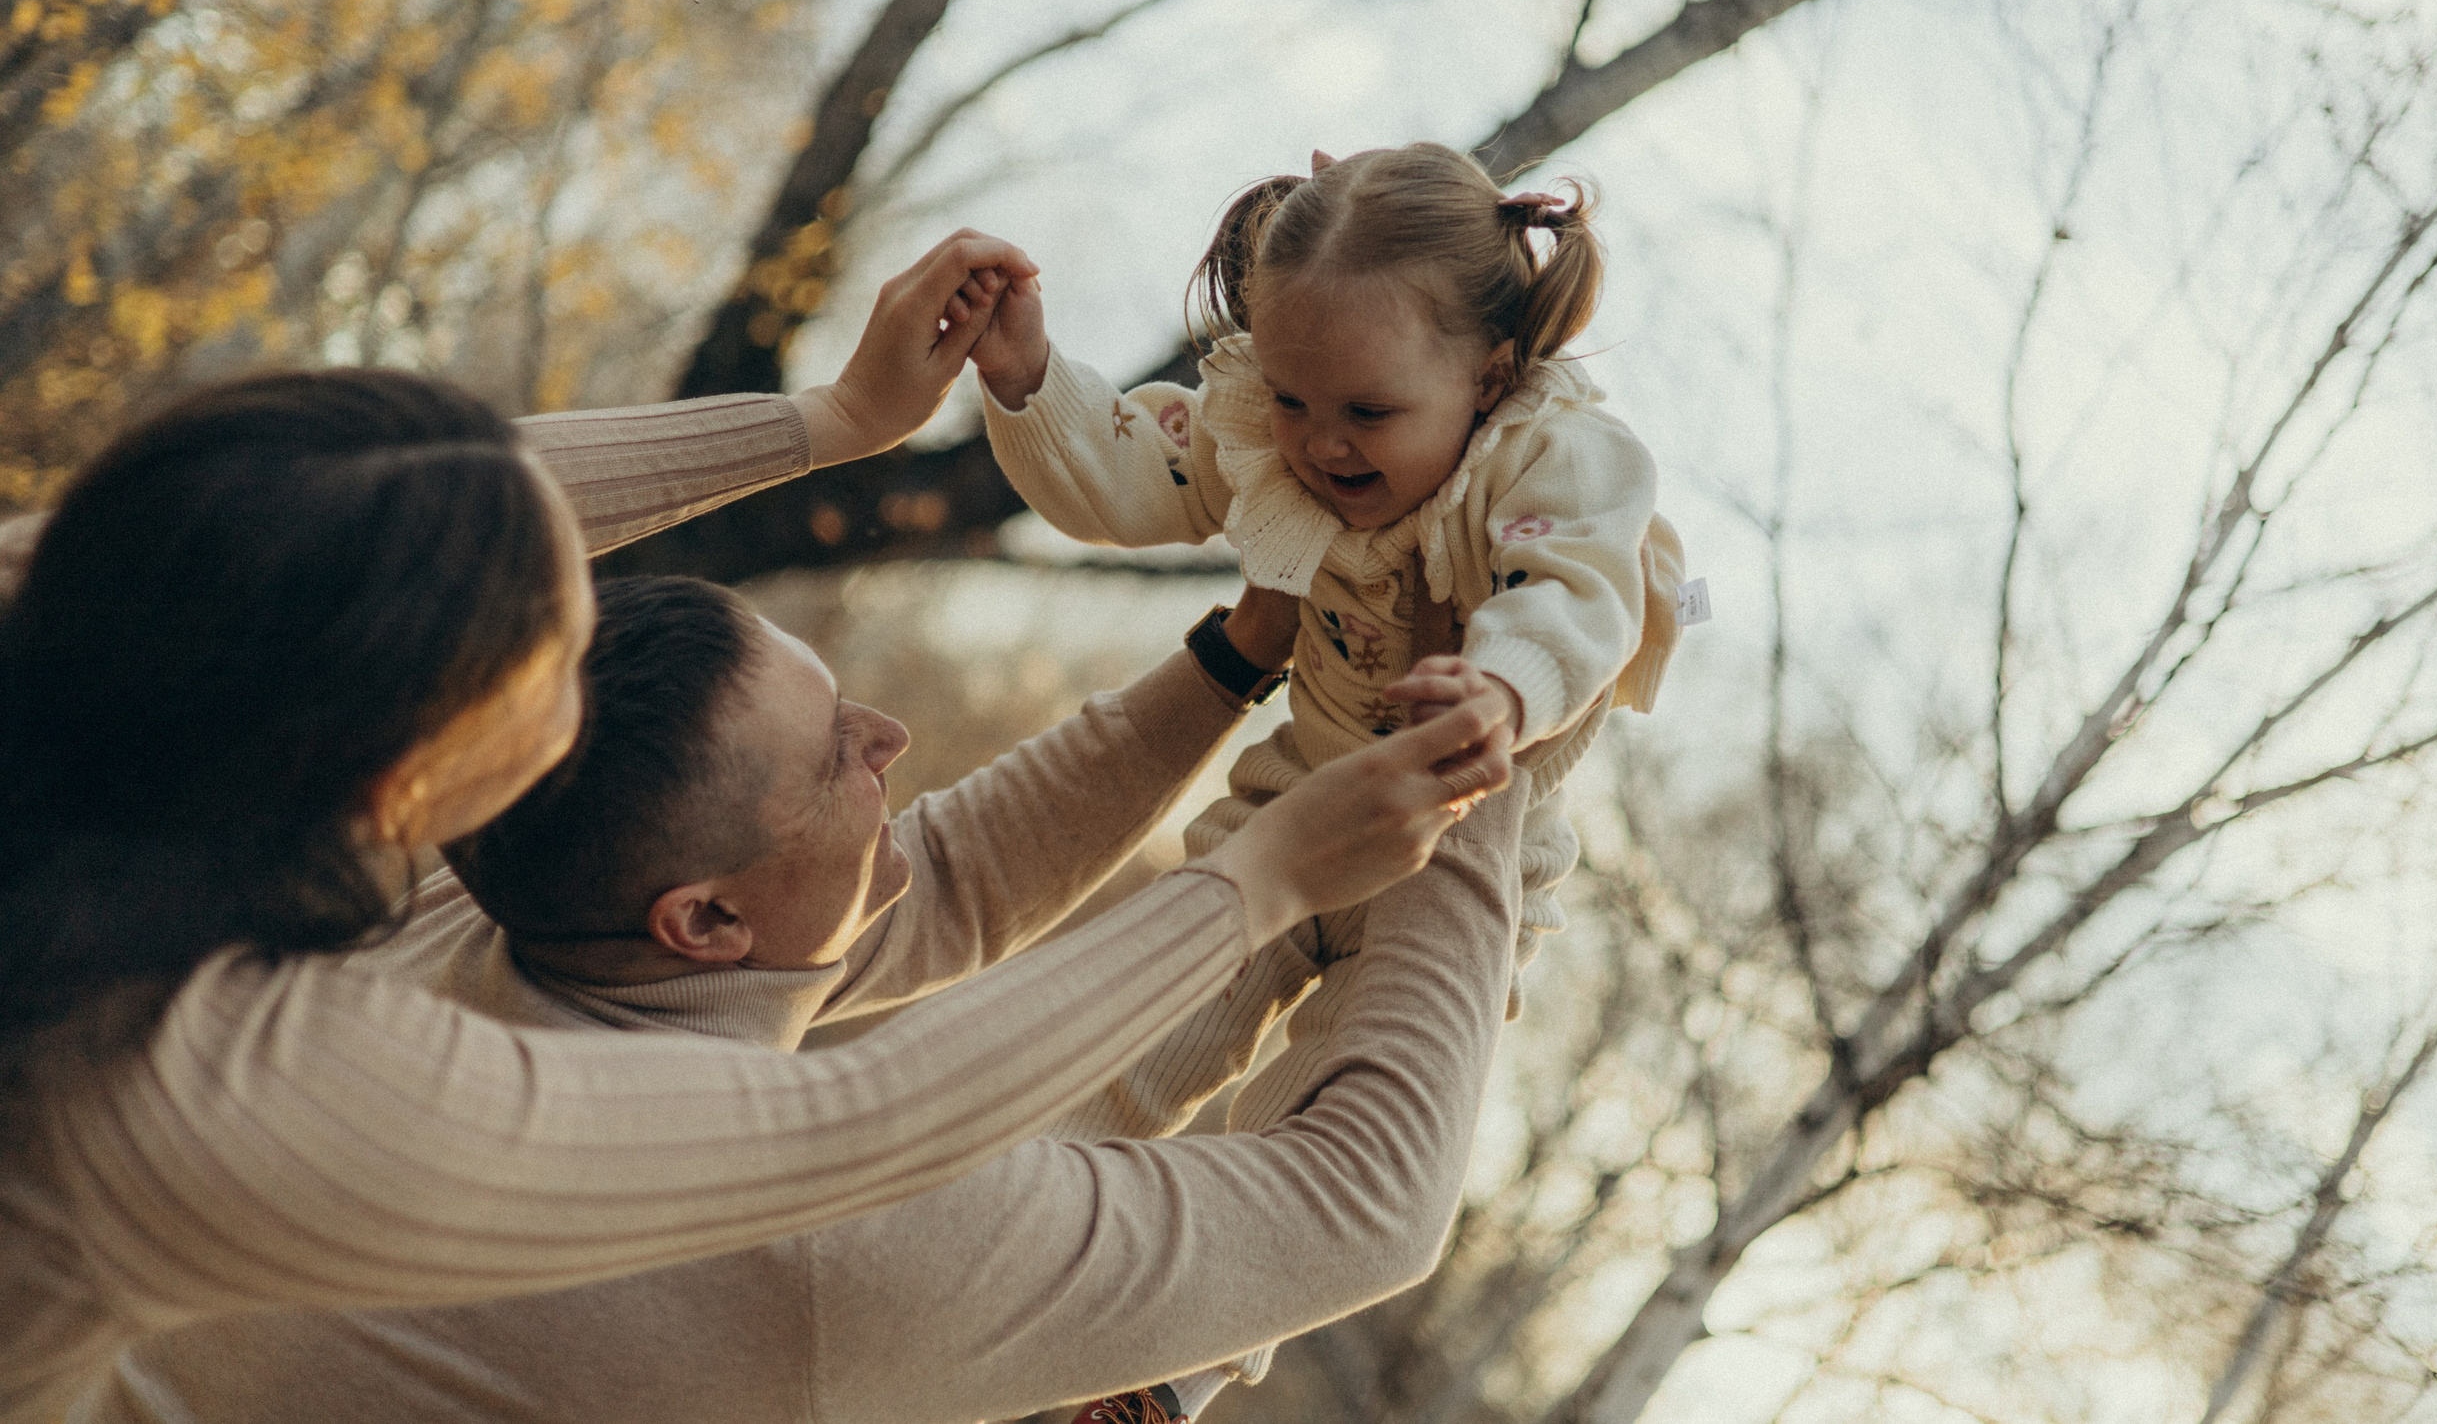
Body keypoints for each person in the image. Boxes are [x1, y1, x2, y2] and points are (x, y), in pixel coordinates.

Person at [0, 232, 1513, 1424]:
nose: (582, 652)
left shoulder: (317, 872)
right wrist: (1436, 800)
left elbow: (347, 509)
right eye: (540, 659)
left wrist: (837, 423)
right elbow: (1350, 1202)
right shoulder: (225, 1079)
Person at [85, 574, 1525, 1424]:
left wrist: (1238, 650)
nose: (891, 736)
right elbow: (1360, 1206)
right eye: (842, 749)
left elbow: (944, 874)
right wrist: (1499, 775)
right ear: (704, 917)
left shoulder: (476, 901)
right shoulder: (811, 1245)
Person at [970, 144, 1694, 1412]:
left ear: (1490, 372)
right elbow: (1136, 475)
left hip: (1452, 875)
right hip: (1292, 808)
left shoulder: (1553, 459)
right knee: (1137, 1030)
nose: (1320, 445)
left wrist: (1501, 688)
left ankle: (1155, 1385)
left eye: (1366, 413)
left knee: (1309, 1128)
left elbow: (1580, 595)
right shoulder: (1265, 426)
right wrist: (1033, 381)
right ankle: (985, 1238)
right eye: (1297, 400)